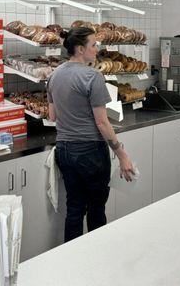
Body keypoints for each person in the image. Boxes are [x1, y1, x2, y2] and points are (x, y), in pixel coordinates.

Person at [46, 27, 135, 242]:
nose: (97, 49)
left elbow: (52, 116)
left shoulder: (54, 75)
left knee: (74, 208)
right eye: (94, 45)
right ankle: (96, 257)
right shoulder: (93, 76)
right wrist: (122, 154)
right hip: (90, 151)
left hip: (65, 150)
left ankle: (71, 260)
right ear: (79, 49)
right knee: (96, 208)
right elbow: (102, 122)